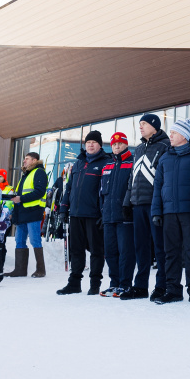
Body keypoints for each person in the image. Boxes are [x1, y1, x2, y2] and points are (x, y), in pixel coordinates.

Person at [151, 118, 190, 305]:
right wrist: (156, 212)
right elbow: (158, 186)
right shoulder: (165, 157)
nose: (170, 136)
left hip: (189, 212)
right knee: (171, 253)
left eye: (173, 133)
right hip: (168, 213)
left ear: (183, 135)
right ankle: (173, 290)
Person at [57, 130, 111, 295]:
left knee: (96, 251)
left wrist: (104, 213)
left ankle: (95, 284)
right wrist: (63, 208)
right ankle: (74, 283)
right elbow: (69, 188)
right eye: (88, 142)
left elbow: (106, 191)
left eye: (94, 142)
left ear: (100, 145)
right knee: (76, 250)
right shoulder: (78, 163)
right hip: (76, 214)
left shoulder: (105, 163)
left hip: (94, 215)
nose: (90, 144)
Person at [125, 114, 171, 302]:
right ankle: (140, 286)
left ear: (154, 126)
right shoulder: (138, 149)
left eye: (144, 124)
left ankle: (162, 286)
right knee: (140, 248)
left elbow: (165, 179)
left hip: (155, 204)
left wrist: (159, 206)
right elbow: (132, 177)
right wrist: (127, 202)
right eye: (140, 124)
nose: (141, 127)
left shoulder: (165, 146)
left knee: (160, 248)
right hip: (137, 205)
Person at [99, 132, 135, 297]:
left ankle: (125, 284)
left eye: (120, 144)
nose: (117, 146)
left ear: (126, 145)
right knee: (110, 251)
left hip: (125, 216)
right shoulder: (107, 165)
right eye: (114, 144)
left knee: (125, 252)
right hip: (108, 216)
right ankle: (114, 283)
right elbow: (101, 193)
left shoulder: (132, 163)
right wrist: (102, 211)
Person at [5, 152, 48, 278]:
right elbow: (20, 194)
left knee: (35, 240)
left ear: (34, 160)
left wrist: (20, 199)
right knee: (19, 241)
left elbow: (39, 192)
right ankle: (20, 270)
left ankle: (41, 270)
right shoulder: (26, 173)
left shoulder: (39, 172)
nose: (24, 161)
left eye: (27, 159)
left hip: (33, 212)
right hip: (22, 213)